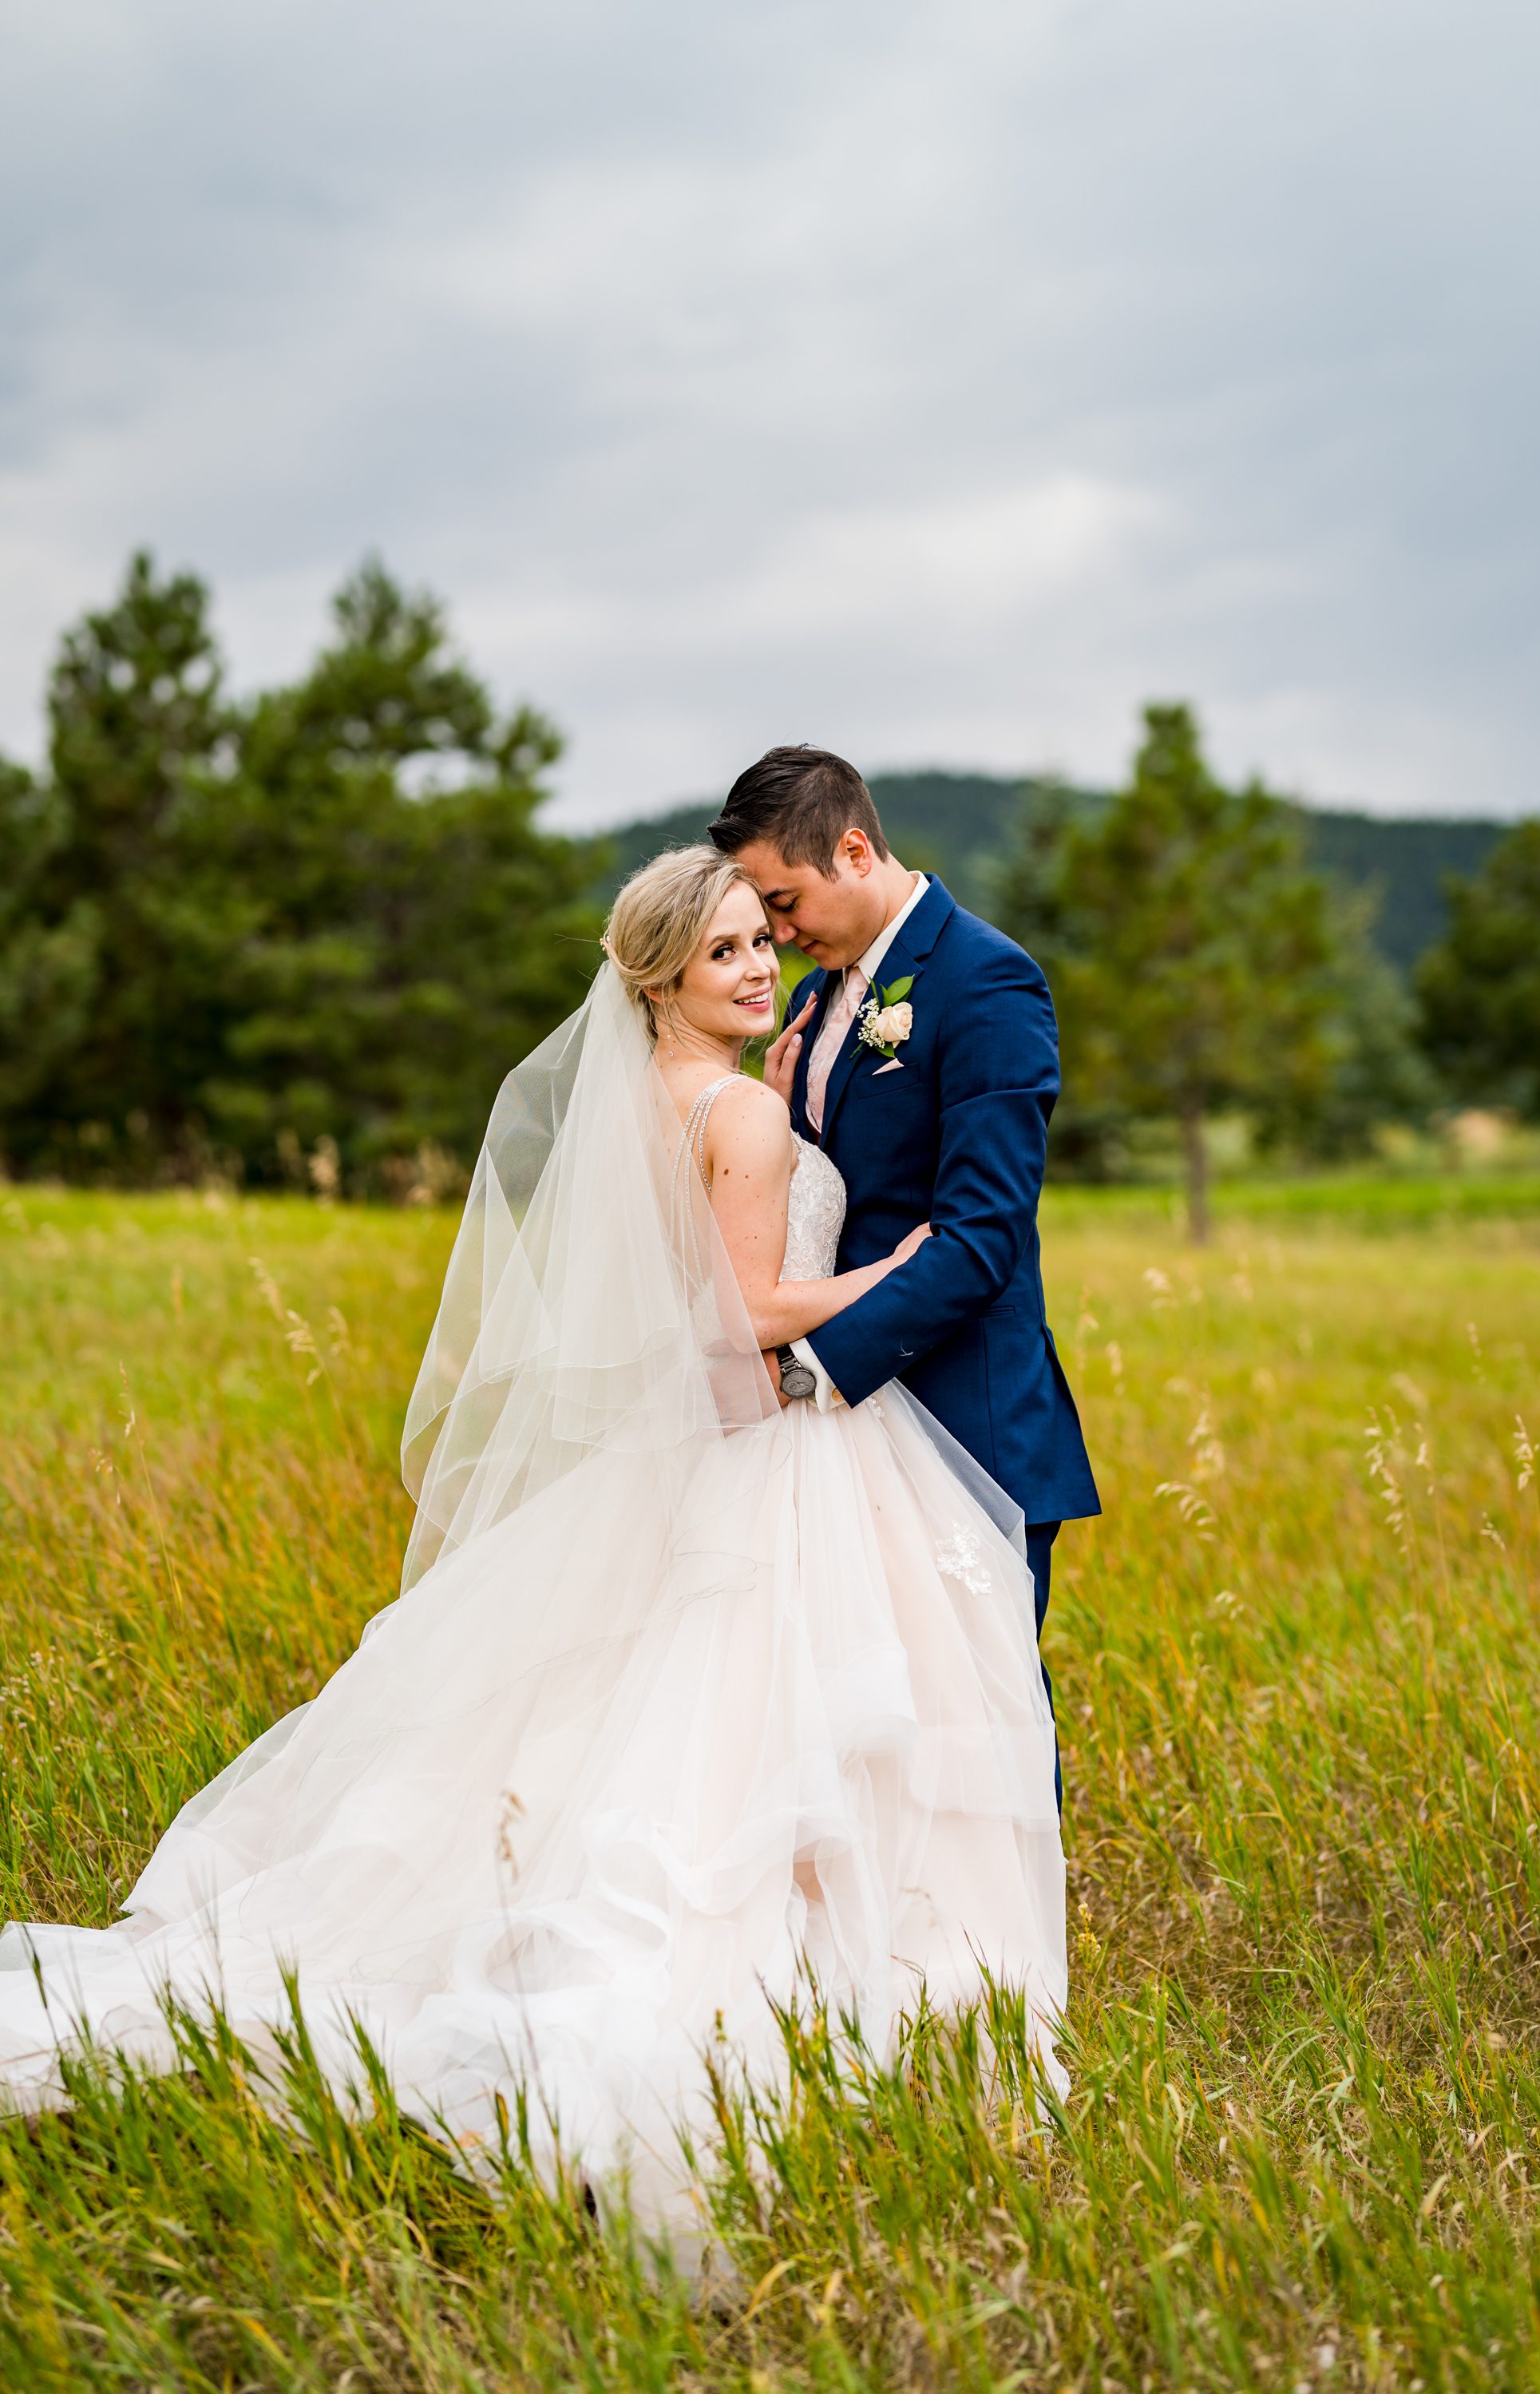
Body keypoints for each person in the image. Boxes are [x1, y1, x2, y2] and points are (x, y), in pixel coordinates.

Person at [0, 845, 1067, 2228]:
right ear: (665, 978)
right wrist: (901, 1267)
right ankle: (829, 1983)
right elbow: (737, 1317)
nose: (764, 968)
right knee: (783, 1724)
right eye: (730, 952)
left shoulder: (650, 1101)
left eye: (766, 941)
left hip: (708, 1453)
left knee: (697, 1718)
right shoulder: (738, 1116)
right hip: (779, 1448)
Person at [708, 747, 1099, 1753]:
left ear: (853, 848)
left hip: (962, 1416)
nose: (778, 937)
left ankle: (1005, 1922)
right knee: (858, 1727)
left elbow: (981, 1237)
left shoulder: (985, 981)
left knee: (981, 1725)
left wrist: (804, 1370)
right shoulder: (809, 999)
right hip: (842, 1451)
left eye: (786, 904)